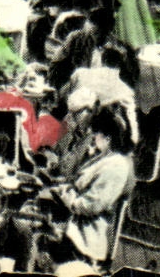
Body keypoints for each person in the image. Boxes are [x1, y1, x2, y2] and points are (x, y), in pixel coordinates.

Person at [43, 109, 134, 267]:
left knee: (29, 234)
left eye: (96, 134)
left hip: (84, 238)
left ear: (107, 138)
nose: (93, 137)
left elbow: (91, 205)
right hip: (75, 225)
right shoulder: (105, 157)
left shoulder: (116, 167)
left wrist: (67, 197)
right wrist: (65, 189)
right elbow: (79, 183)